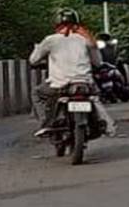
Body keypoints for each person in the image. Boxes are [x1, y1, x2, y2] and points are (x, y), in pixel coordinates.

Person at [29, 9, 120, 138]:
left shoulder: (50, 40)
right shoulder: (86, 40)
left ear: (57, 24)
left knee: (37, 93)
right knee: (95, 98)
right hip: (85, 84)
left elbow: (33, 60)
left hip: (59, 85)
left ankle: (45, 123)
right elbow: (98, 63)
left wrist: (39, 51)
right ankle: (104, 125)